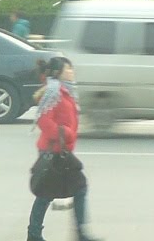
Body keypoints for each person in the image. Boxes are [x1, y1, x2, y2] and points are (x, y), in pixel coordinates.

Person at [27, 57, 100, 241]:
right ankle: (38, 234)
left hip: (63, 151)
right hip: (53, 150)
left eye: (71, 68)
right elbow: (43, 120)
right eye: (67, 69)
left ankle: (36, 234)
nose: (71, 71)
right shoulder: (53, 92)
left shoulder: (66, 90)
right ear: (58, 73)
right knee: (51, 192)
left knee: (56, 191)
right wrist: (64, 133)